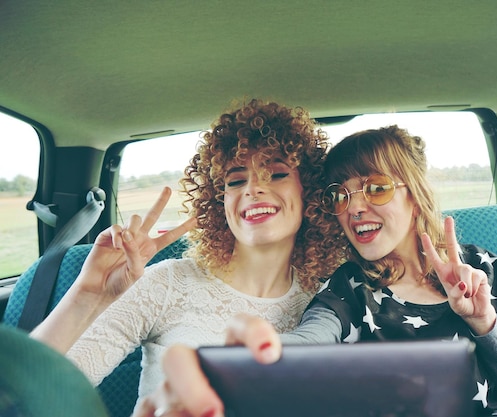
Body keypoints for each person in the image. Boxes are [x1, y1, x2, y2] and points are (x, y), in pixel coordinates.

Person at [136, 125, 497, 417]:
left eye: (376, 188)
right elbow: (309, 338)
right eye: (339, 195)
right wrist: (235, 367)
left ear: (414, 194)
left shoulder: (484, 269)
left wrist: (484, 322)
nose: (354, 207)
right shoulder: (350, 288)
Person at [30, 98, 344, 410]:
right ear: (220, 201)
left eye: (276, 174)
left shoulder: (327, 303)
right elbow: (28, 395)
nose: (253, 189)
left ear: (310, 192)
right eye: (236, 180)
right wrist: (87, 296)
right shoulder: (167, 282)